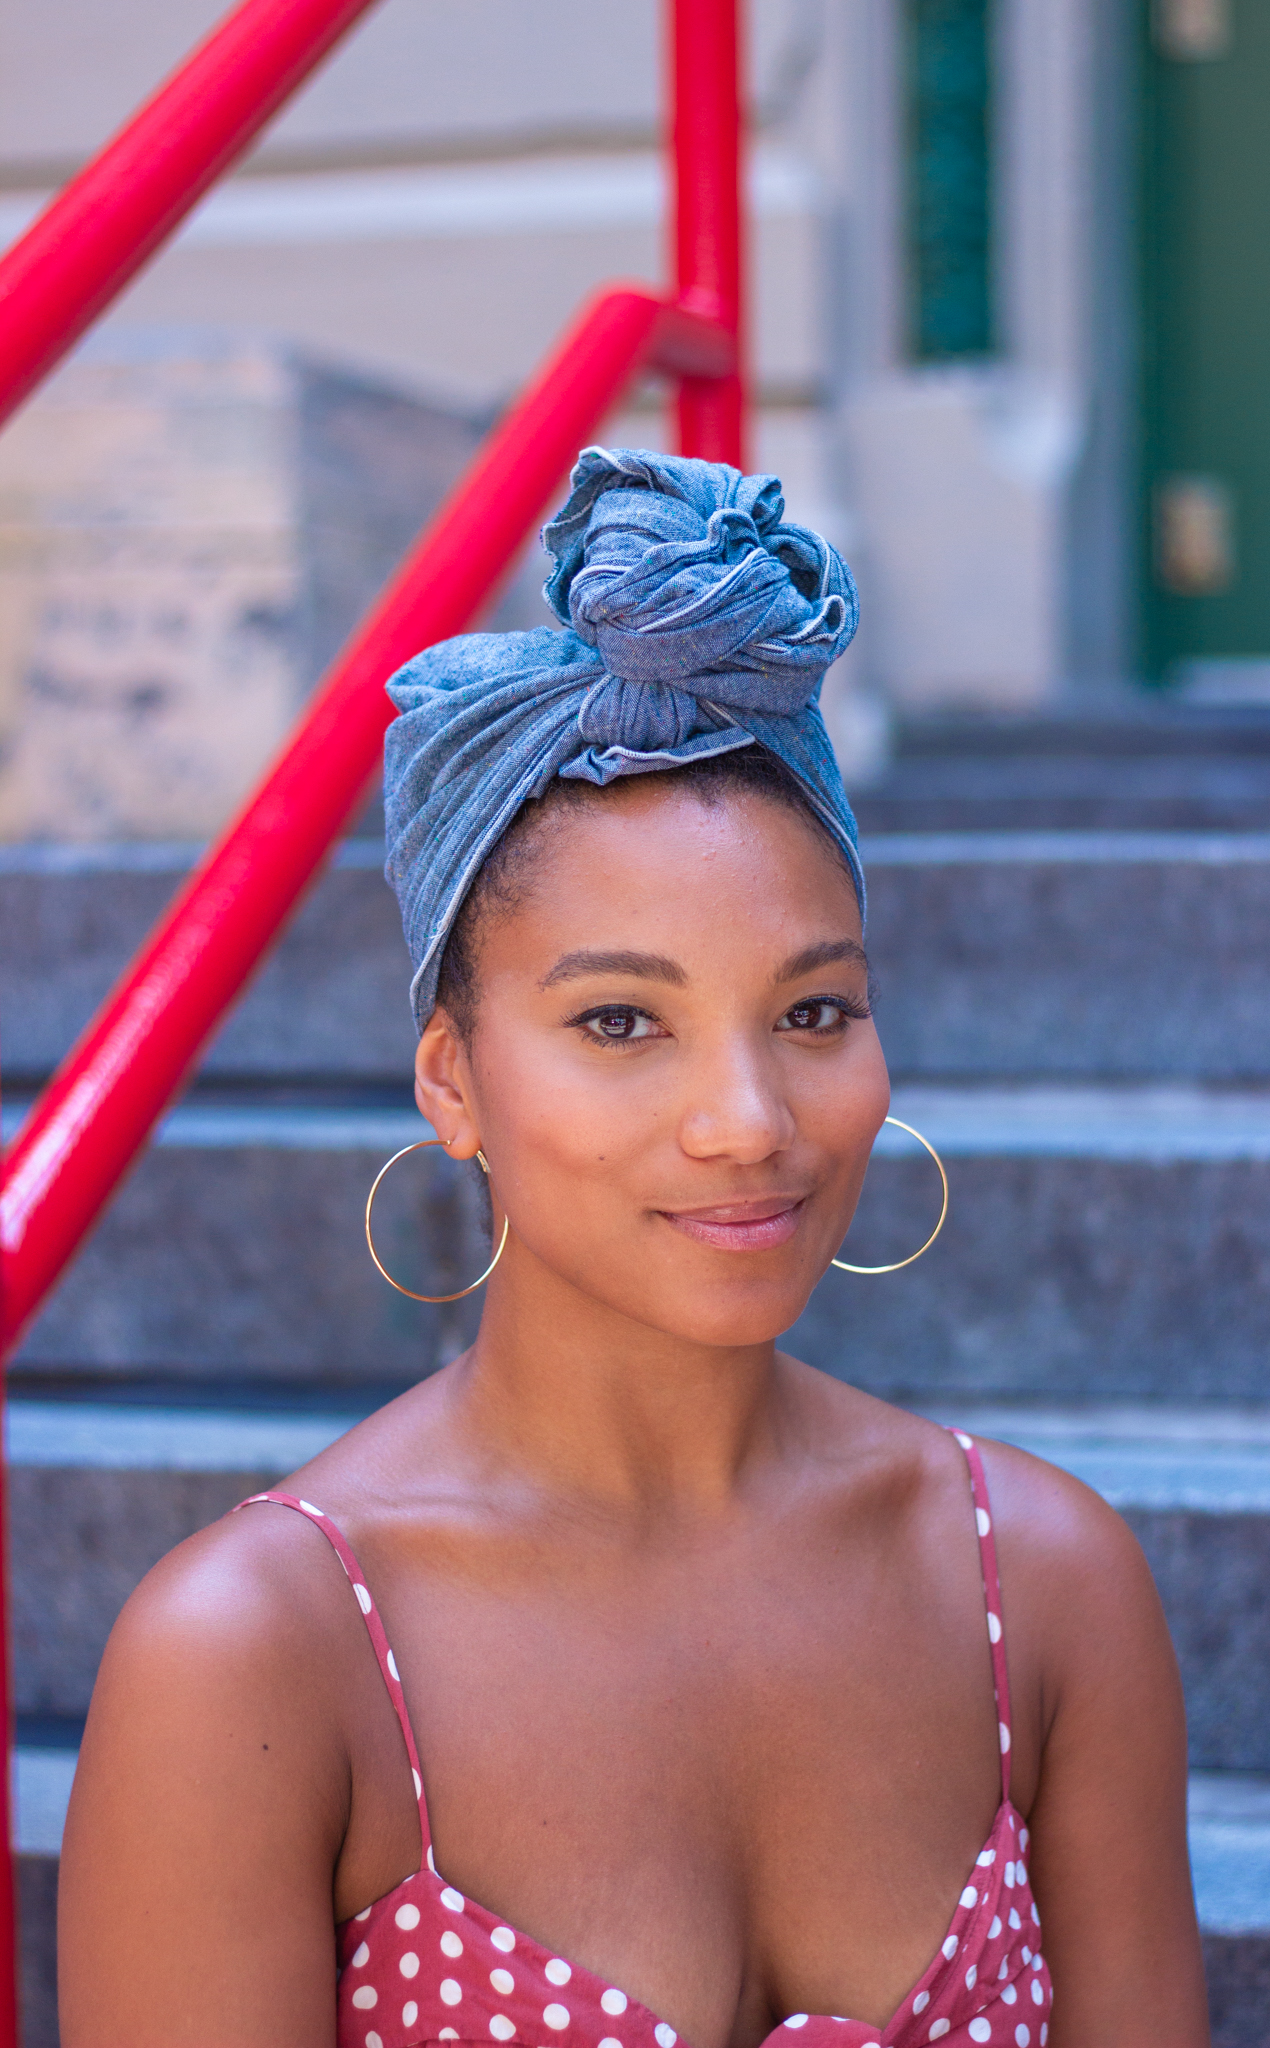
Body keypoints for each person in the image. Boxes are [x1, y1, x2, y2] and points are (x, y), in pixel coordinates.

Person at [59, 449, 1209, 2048]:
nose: (747, 1120)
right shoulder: (261, 1661)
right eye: (620, 1021)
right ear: (451, 1080)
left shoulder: (1046, 1587)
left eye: (814, 1011)